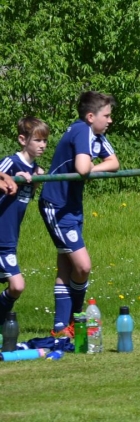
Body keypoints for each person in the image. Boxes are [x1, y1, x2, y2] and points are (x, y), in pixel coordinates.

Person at [38, 91, 120, 337]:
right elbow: (83, 168)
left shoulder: (96, 135)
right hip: (57, 205)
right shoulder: (81, 130)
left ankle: (61, 327)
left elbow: (114, 163)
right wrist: (92, 167)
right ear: (90, 116)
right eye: (107, 116)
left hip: (73, 206)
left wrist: (94, 167)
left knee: (66, 266)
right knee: (83, 266)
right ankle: (75, 318)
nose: (110, 120)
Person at [0, 117, 49, 322]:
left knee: (15, 286)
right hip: (2, 239)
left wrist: (35, 182)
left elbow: (24, 199)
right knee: (17, 285)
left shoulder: (35, 169)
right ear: (22, 139)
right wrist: (13, 177)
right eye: (37, 140)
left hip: (10, 238)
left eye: (45, 140)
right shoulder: (12, 163)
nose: (42, 145)